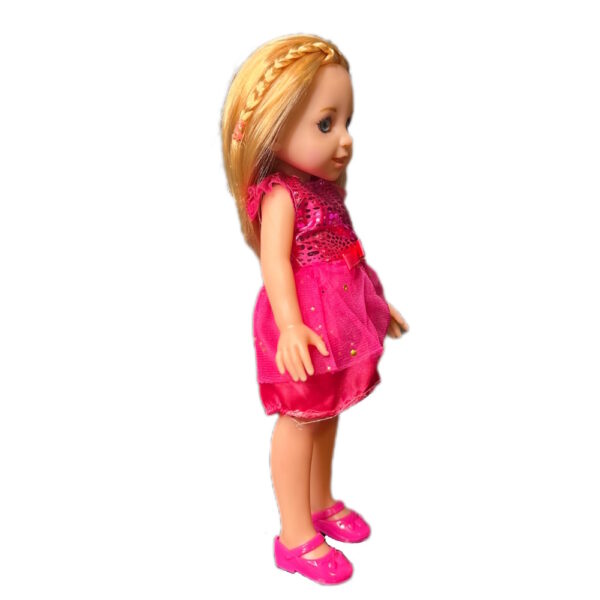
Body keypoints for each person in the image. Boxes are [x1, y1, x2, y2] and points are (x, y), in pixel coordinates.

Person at [220, 33, 409, 585]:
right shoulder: (282, 195)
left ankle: (320, 500)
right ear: (273, 126)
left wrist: (377, 305)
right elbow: (275, 263)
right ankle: (294, 535)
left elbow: (346, 252)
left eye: (346, 122)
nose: (345, 139)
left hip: (338, 317)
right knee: (299, 420)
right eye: (326, 124)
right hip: (302, 322)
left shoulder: (324, 191)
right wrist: (289, 326)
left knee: (327, 415)